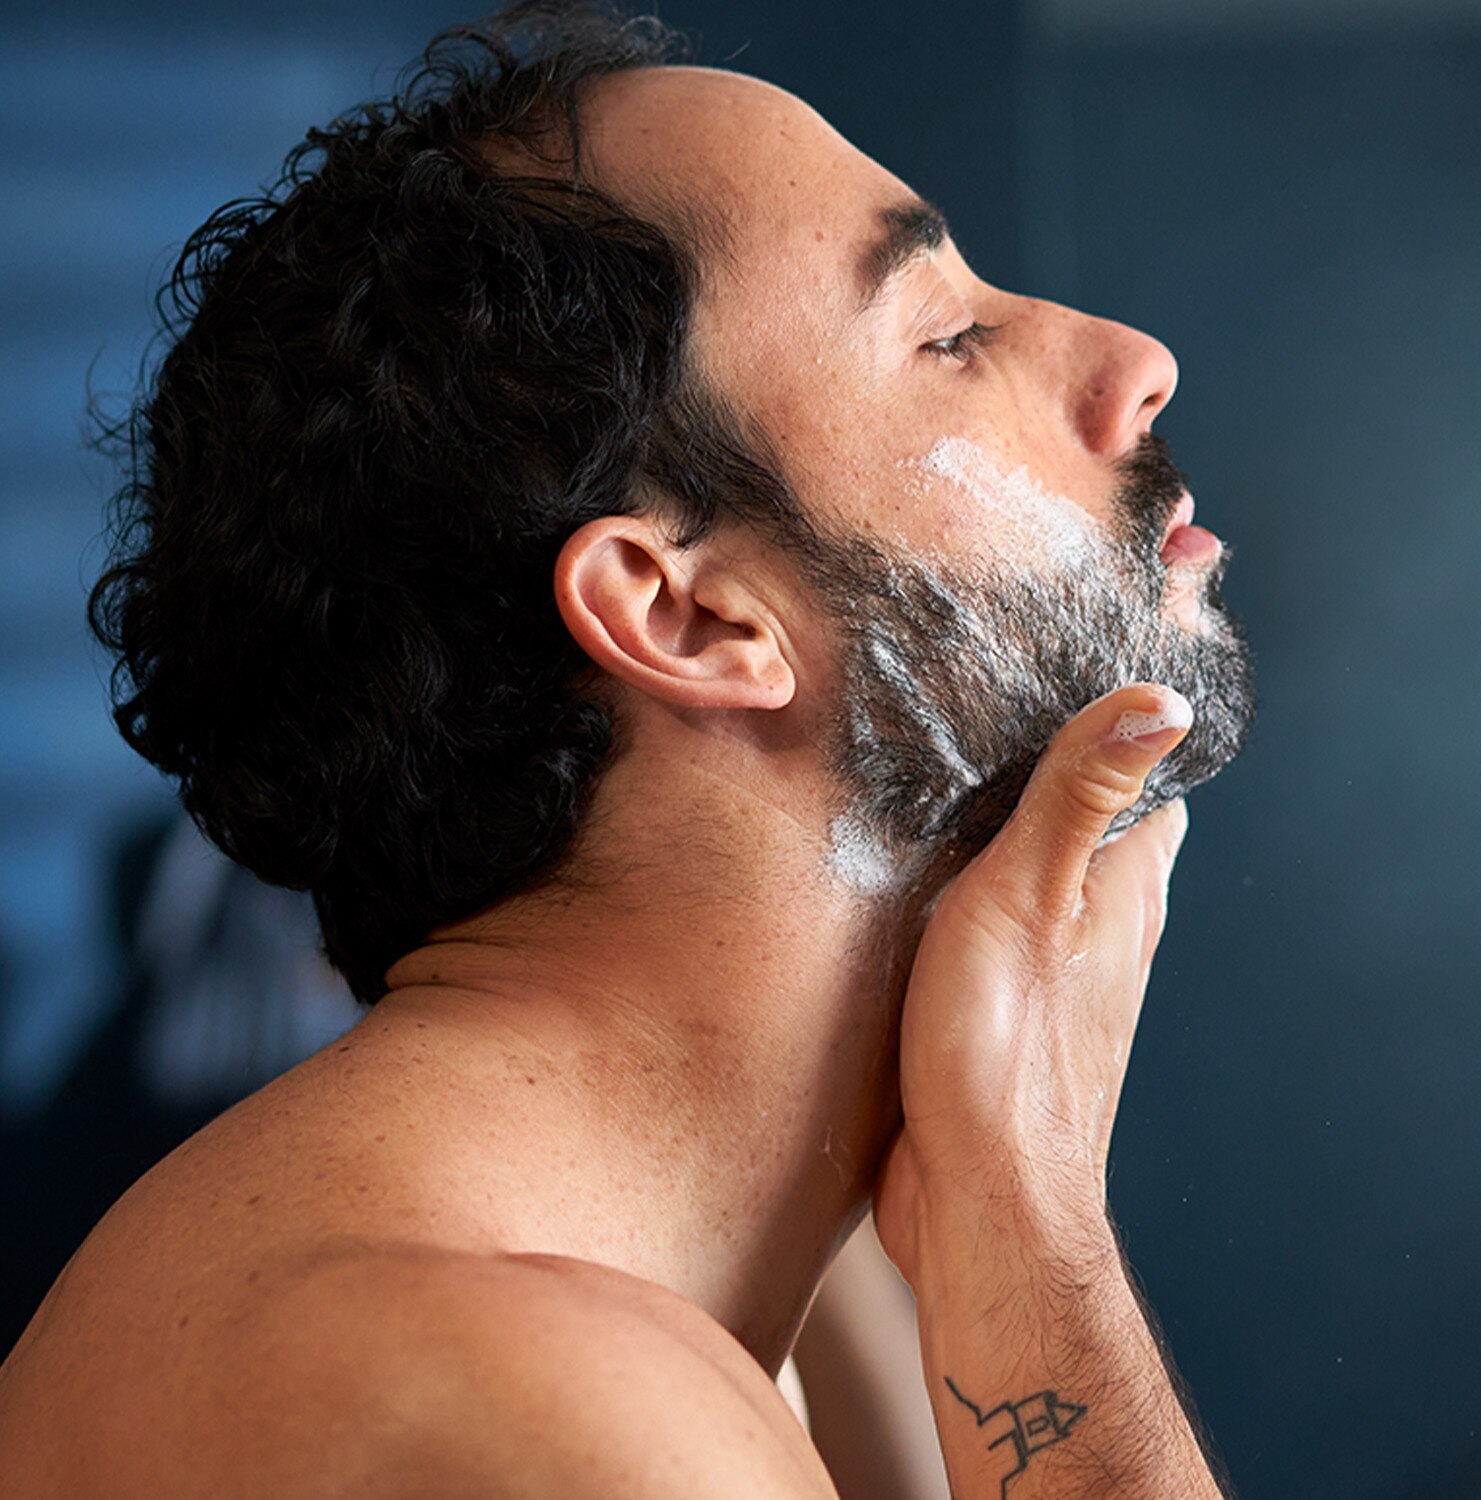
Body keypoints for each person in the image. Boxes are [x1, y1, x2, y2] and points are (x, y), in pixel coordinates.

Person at [0, 3, 1255, 1495]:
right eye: (948, 335)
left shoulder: (689, 1307)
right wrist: (1036, 1213)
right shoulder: (544, 1395)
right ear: (688, 615)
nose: (1136, 361)